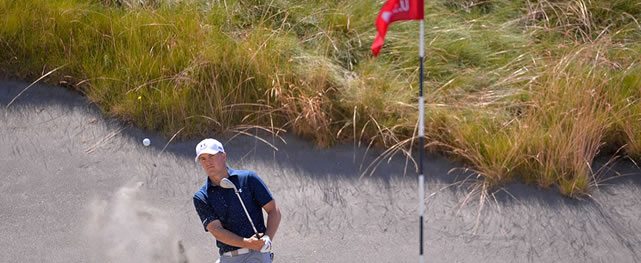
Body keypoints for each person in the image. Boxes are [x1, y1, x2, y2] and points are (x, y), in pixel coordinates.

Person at [193, 138, 281, 262]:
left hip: (256, 254)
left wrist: (267, 238)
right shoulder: (201, 196)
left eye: (211, 156)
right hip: (228, 257)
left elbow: (273, 210)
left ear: (223, 156)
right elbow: (216, 230)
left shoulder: (248, 179)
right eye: (203, 158)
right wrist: (247, 243)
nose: (208, 162)